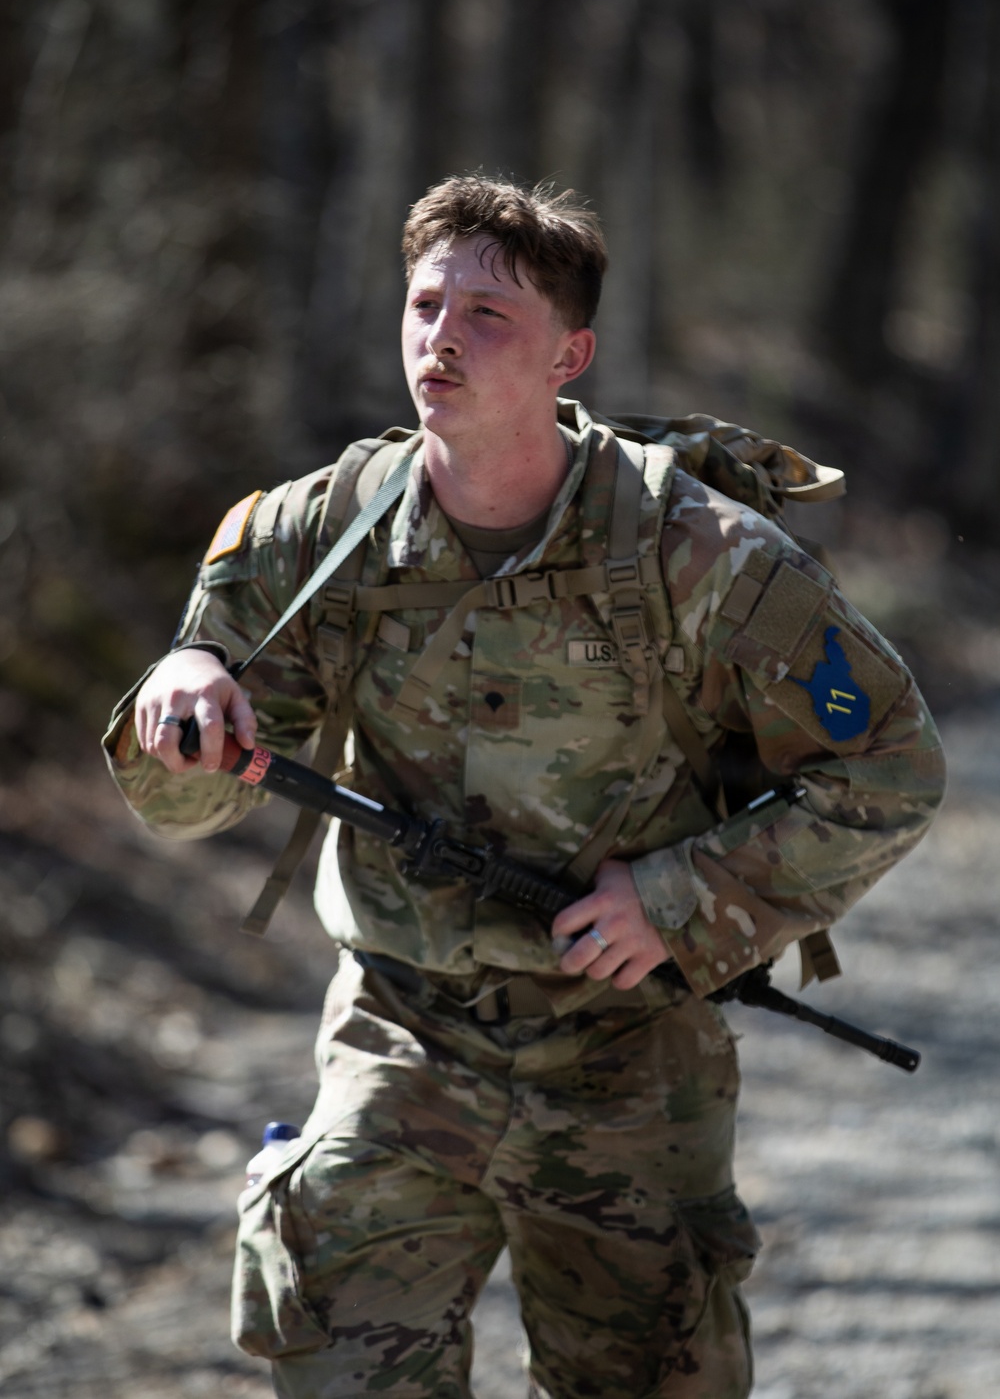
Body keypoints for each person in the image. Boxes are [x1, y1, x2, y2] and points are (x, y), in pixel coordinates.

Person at [103, 175, 946, 1399]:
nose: (441, 337)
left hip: (628, 1060)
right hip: (402, 1036)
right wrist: (177, 694)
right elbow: (187, 802)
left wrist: (679, 899)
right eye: (425, 304)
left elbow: (891, 764)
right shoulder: (309, 534)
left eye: (487, 315)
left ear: (571, 353)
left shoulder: (695, 551)